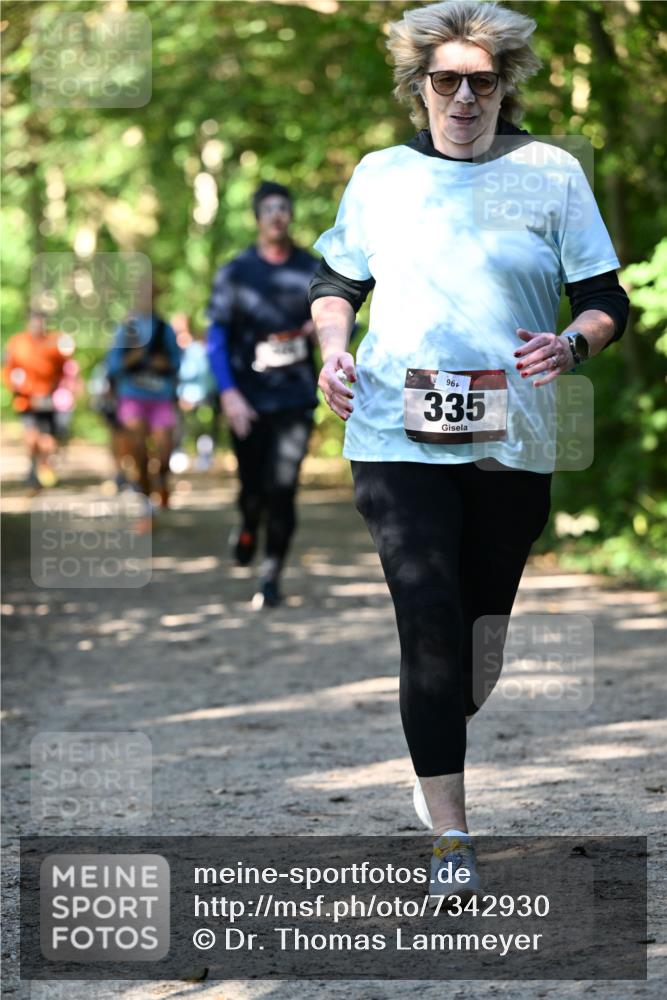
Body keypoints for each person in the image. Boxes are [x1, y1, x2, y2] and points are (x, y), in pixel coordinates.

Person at [309, 0, 629, 903]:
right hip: (392, 434)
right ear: (419, 89)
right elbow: (337, 279)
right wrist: (334, 348)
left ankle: (435, 729)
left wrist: (573, 344)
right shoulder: (379, 176)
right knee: (428, 613)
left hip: (513, 439)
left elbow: (606, 294)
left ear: (502, 88)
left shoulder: (549, 172)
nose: (461, 97)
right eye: (444, 80)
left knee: (478, 642)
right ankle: (451, 830)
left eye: (479, 82)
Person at [207, 181, 318, 608]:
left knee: (284, 486)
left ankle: (271, 573)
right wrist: (230, 395)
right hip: (247, 399)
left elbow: (339, 317)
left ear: (290, 215)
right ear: (257, 218)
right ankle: (248, 523)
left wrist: (319, 327)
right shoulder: (235, 273)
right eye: (268, 209)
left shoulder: (310, 268)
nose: (276, 215)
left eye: (283, 207)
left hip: (293, 396)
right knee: (253, 488)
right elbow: (215, 339)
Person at [106, 282, 182, 509]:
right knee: (137, 447)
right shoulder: (126, 329)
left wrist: (165, 364)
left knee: (165, 451)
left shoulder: (164, 328)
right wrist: (133, 358)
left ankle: (162, 480)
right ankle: (147, 501)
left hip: (161, 398)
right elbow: (113, 364)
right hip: (132, 396)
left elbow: (177, 362)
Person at [3, 309, 73, 490]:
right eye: (34, 322)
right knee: (31, 437)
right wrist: (18, 387)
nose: (37, 326)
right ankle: (33, 469)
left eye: (41, 322)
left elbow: (66, 368)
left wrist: (60, 389)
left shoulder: (54, 342)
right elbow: (8, 370)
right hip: (26, 400)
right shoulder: (17, 343)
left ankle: (44, 465)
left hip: (49, 399)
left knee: (47, 439)